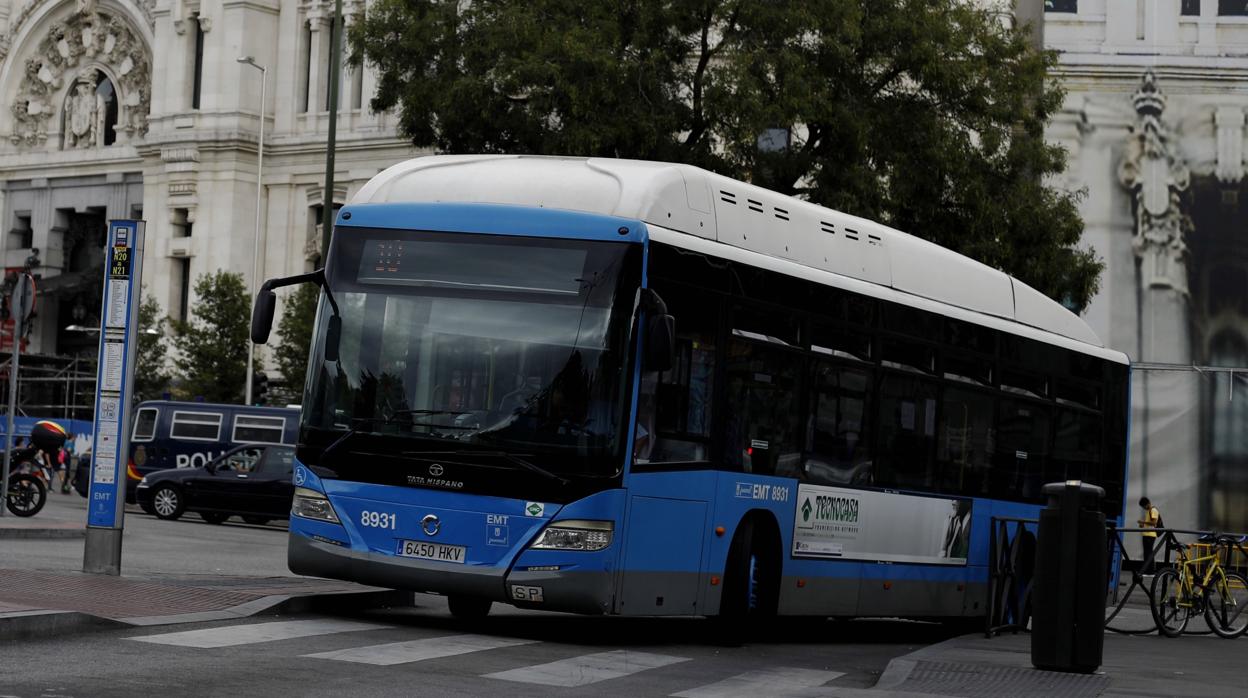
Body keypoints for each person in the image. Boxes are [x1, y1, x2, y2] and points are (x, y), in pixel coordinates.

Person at [1138, 496, 1163, 575]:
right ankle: (1148, 570)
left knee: (1148, 553)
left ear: (1147, 503)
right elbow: (1150, 523)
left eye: (1144, 506)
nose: (1144, 508)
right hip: (1147, 534)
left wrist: (1143, 522)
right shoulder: (1149, 511)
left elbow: (1154, 523)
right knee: (1147, 553)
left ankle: (1150, 571)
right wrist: (1142, 524)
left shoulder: (1153, 510)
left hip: (1150, 535)